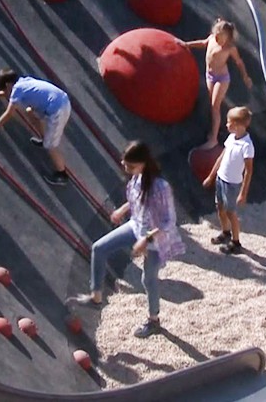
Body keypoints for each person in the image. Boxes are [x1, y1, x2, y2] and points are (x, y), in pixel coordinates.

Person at [73, 141, 185, 338]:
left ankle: (154, 321)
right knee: (99, 248)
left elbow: (169, 221)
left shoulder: (161, 187)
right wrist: (123, 209)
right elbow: (137, 200)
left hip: (156, 238)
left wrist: (147, 239)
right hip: (136, 225)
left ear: (143, 163)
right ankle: (96, 296)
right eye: (124, 164)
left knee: (148, 278)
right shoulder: (136, 178)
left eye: (130, 166)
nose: (126, 169)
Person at [0, 68, 70, 185]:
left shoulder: (17, 89)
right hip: (57, 101)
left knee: (50, 145)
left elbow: (10, 112)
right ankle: (43, 137)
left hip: (58, 109)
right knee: (30, 111)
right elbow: (9, 93)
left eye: (5, 88)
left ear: (8, 84)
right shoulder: (23, 82)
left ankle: (62, 174)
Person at [183, 18, 253, 149]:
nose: (217, 39)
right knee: (212, 103)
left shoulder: (230, 48)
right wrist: (187, 44)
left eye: (220, 37)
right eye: (216, 35)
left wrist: (245, 77)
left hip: (222, 78)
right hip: (210, 75)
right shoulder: (212, 38)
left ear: (227, 38)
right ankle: (213, 129)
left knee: (215, 106)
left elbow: (239, 62)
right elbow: (203, 43)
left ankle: (214, 139)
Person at [203, 106, 254, 255]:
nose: (226, 125)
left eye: (229, 122)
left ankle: (236, 242)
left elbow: (249, 170)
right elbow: (221, 157)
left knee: (231, 212)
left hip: (232, 184)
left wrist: (243, 193)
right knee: (220, 207)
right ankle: (225, 232)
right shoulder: (231, 138)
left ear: (239, 125)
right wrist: (211, 176)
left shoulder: (247, 146)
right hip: (221, 178)